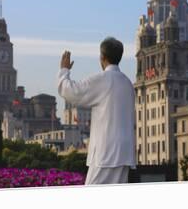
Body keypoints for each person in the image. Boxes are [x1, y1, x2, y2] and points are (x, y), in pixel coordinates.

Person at [57, 37, 136, 185]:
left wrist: (64, 71)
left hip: (106, 153)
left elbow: (70, 91)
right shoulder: (128, 83)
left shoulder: (103, 79)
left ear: (102, 57)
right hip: (124, 153)